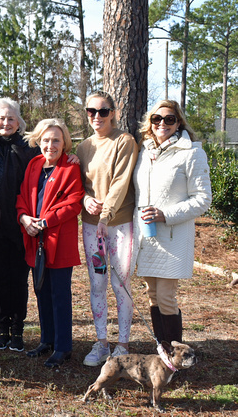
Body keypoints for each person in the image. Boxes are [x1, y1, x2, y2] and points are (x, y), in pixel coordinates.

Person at [132, 100, 211, 344]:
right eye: (157, 119)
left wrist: (165, 214)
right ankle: (163, 349)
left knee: (166, 297)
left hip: (172, 237)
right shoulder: (144, 151)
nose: (162, 123)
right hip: (147, 236)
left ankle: (175, 352)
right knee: (153, 295)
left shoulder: (192, 153)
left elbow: (202, 199)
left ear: (178, 123)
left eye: (169, 119)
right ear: (150, 123)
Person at [76, 90, 138, 366]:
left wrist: (106, 216)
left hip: (120, 225)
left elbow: (120, 184)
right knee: (98, 284)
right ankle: (101, 342)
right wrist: (85, 199)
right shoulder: (83, 146)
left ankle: (122, 345)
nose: (97, 116)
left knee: (120, 284)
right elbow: (77, 186)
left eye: (103, 111)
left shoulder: (124, 141)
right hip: (92, 229)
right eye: (91, 111)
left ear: (113, 113)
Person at [16, 119, 84, 367]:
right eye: (45, 140)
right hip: (34, 239)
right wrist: (24, 219)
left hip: (57, 240)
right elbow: (23, 196)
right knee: (41, 290)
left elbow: (74, 202)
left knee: (60, 294)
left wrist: (44, 222)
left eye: (56, 140)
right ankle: (47, 340)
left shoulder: (70, 167)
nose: (50, 145)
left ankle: (63, 346)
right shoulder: (34, 164)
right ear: (38, 141)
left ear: (65, 141)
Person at [0, 98, 39, 352]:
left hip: (20, 224)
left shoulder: (30, 147)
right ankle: (2, 327)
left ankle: (18, 329)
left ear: (19, 122)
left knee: (18, 279)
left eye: (11, 118)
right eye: (1, 118)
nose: (6, 122)